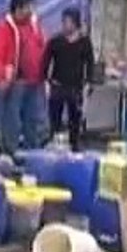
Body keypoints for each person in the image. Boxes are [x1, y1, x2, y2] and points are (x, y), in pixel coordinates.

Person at [0, 0, 47, 153]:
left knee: (33, 119)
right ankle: (9, 150)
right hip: (15, 81)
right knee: (11, 119)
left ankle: (32, 152)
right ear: (18, 8)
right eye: (28, 7)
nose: (31, 11)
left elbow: (42, 48)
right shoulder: (3, 28)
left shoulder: (34, 26)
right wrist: (0, 78)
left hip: (34, 81)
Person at [42, 8, 96, 151]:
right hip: (58, 86)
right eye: (64, 21)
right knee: (55, 118)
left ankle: (74, 146)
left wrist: (88, 83)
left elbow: (90, 63)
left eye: (69, 22)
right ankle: (54, 143)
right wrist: (46, 82)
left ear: (76, 23)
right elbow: (45, 62)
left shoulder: (84, 42)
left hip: (75, 87)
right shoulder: (56, 41)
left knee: (75, 120)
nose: (65, 25)